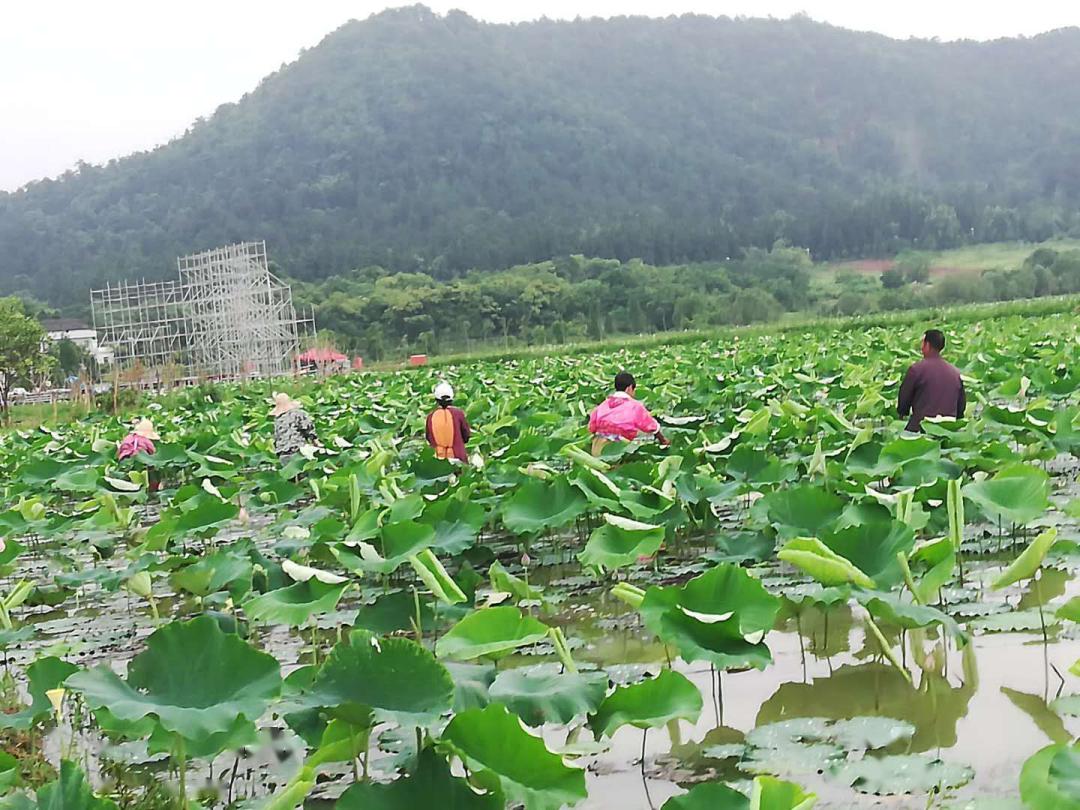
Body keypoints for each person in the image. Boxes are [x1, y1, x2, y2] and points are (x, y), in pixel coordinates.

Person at [897, 329, 966, 432]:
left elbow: (904, 400)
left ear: (927, 345)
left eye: (923, 343)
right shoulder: (955, 373)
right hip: (948, 429)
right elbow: (961, 407)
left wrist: (902, 414)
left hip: (922, 427)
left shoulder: (916, 370)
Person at [588, 371, 669, 455]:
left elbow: (591, 428)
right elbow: (652, 427)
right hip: (621, 449)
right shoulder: (635, 406)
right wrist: (663, 440)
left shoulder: (602, 406)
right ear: (629, 388)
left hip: (599, 449)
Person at [426, 382, 471, 462]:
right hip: (457, 456)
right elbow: (466, 435)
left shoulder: (431, 416)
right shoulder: (458, 413)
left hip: (438, 459)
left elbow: (429, 438)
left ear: (436, 400)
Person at [271, 392, 318, 462]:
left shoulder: (278, 420)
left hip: (282, 454)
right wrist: (316, 442)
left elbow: (276, 438)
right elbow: (308, 429)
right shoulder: (298, 413)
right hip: (298, 451)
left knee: (290, 472)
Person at [118, 418, 161, 492]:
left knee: (126, 479)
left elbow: (120, 450)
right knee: (153, 474)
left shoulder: (127, 438)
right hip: (141, 462)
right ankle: (151, 491)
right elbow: (152, 453)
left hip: (125, 461)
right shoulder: (146, 441)